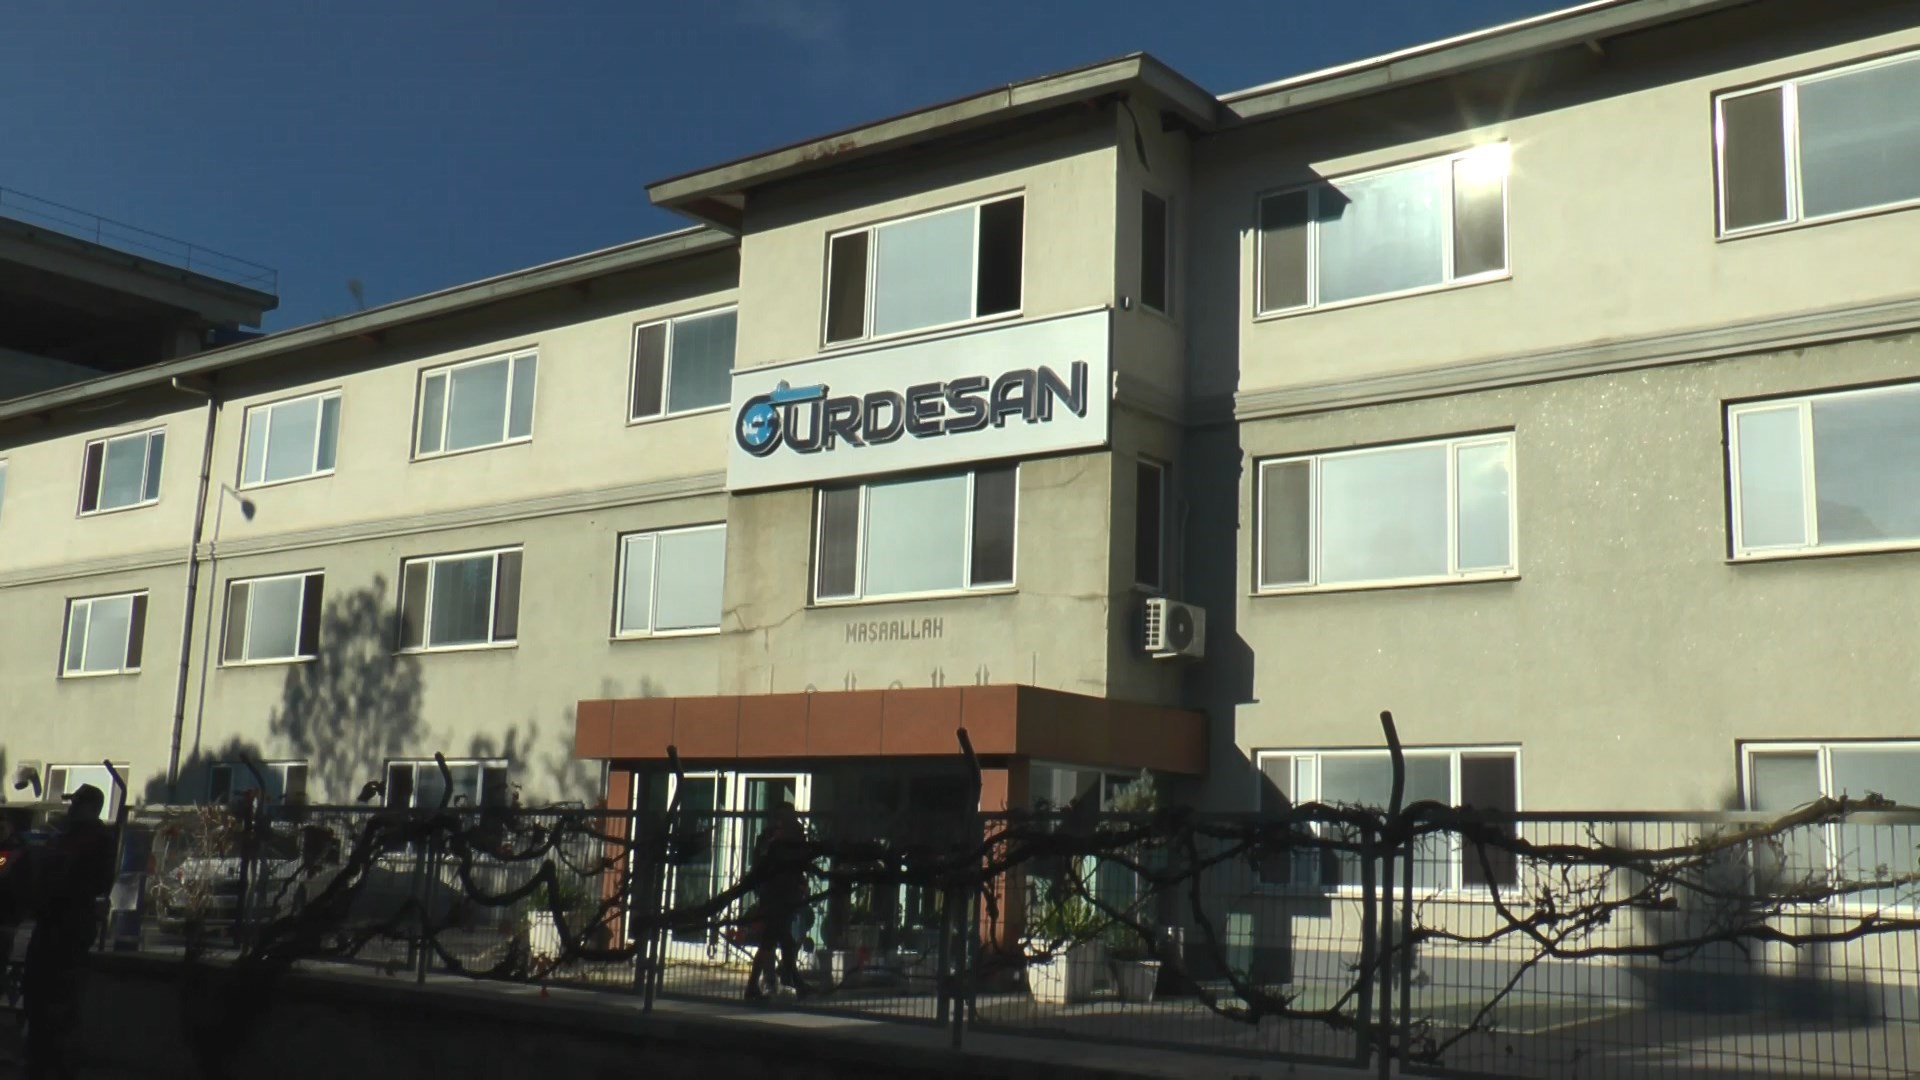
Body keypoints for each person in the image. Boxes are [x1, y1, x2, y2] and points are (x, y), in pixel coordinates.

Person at [21, 784, 117, 1080]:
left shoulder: (96, 840)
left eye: (76, 803)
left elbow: (88, 881)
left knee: (59, 998)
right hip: (49, 924)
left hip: (69, 927)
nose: (71, 808)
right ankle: (38, 1058)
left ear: (89, 807)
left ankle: (56, 1063)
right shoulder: (63, 837)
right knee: (35, 993)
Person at [744, 802, 812, 1002]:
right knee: (776, 940)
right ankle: (792, 982)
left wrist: (800, 884)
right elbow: (764, 866)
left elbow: (799, 864)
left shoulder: (793, 836)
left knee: (778, 940)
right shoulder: (771, 839)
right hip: (774, 896)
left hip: (785, 895)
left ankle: (788, 982)